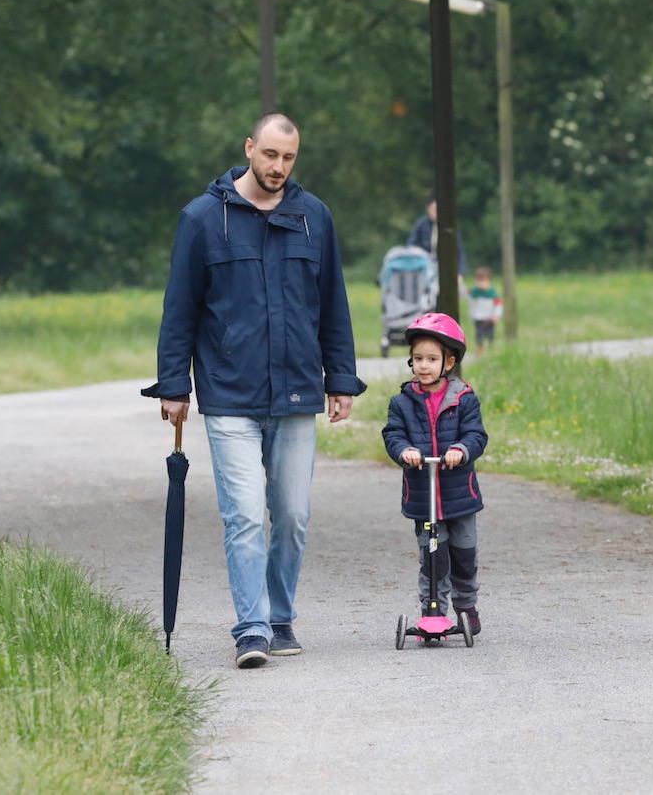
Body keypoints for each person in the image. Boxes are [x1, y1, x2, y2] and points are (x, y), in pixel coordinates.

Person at [142, 112, 367, 669]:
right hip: (228, 393)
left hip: (295, 393)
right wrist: (174, 384)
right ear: (249, 148)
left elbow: (333, 305)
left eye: (288, 158)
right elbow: (180, 310)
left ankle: (279, 614)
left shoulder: (313, 218)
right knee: (243, 514)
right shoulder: (202, 219)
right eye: (269, 155)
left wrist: (341, 378)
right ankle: (251, 628)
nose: (278, 167)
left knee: (291, 515)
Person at [381, 312, 488, 636]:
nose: (423, 365)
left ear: (449, 361)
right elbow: (394, 434)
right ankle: (434, 613)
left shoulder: (464, 399)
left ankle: (466, 605)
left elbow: (476, 435)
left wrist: (460, 450)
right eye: (417, 359)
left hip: (459, 494)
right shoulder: (402, 402)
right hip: (423, 494)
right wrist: (404, 451)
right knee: (432, 557)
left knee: (464, 554)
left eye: (431, 359)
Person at [407, 194, 467, 286]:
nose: (436, 212)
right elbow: (411, 245)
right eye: (433, 209)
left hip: (445, 267)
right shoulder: (421, 225)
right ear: (428, 209)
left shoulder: (449, 226)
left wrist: (460, 273)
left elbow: (459, 251)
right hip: (423, 266)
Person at [466, 266, 503, 353]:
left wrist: (496, 316)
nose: (481, 283)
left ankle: (490, 346)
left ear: (489, 281)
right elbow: (465, 293)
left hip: (489, 318)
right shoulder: (474, 292)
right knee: (479, 333)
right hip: (478, 318)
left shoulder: (493, 293)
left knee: (490, 333)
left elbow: (498, 305)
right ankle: (480, 348)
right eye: (479, 281)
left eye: (483, 281)